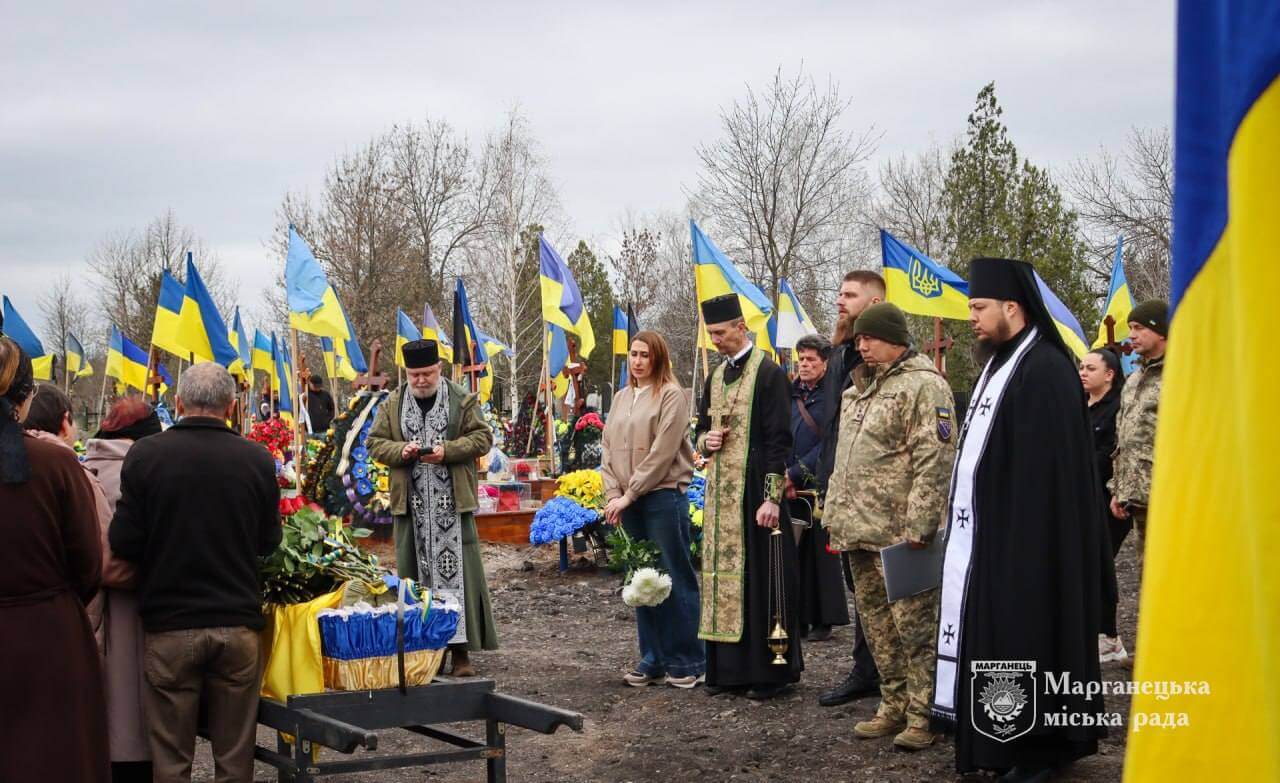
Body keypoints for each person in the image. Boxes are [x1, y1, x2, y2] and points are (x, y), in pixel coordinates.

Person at [931, 258, 1109, 783]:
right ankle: (1002, 742)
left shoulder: (1046, 370)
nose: (971, 318)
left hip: (1034, 545)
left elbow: (1049, 478)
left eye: (979, 307)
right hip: (994, 538)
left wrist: (1017, 541)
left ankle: (1039, 749)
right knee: (999, 639)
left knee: (1030, 638)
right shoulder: (1000, 364)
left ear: (1013, 307)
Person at [109, 362, 281, 783]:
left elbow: (124, 542)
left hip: (170, 626)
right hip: (237, 624)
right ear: (232, 406)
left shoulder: (145, 455)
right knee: (235, 760)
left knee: (171, 760)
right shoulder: (256, 459)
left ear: (179, 402)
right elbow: (269, 542)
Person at [824, 303, 956, 751]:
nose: (861, 345)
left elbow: (935, 457)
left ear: (896, 339)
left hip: (901, 534)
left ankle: (924, 714)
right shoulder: (858, 388)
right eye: (858, 338)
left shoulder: (924, 386)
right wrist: (835, 514)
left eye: (871, 338)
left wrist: (921, 524)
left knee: (914, 629)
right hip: (858, 529)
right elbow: (845, 460)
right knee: (878, 628)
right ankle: (893, 703)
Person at [0, 337, 109, 782]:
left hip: (44, 623)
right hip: (46, 635)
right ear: (25, 398)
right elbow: (89, 562)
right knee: (52, 758)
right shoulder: (55, 463)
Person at [25, 387, 148, 782]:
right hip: (95, 618)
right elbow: (101, 562)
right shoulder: (70, 471)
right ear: (65, 421)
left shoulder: (61, 464)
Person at [366, 339, 498, 676]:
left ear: (439, 369)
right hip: (411, 507)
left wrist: (447, 451)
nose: (421, 380)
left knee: (460, 576)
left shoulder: (461, 399)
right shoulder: (393, 403)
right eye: (415, 375)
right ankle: (426, 653)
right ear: (406, 373)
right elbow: (374, 443)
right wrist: (400, 451)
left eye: (427, 373)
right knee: (415, 578)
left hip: (451, 505)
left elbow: (483, 438)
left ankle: (461, 652)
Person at [693, 293, 801, 700]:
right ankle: (727, 671)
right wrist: (706, 441)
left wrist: (772, 498)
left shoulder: (769, 374)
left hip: (756, 490)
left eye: (721, 333)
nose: (715, 340)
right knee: (721, 580)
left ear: (741, 327)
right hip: (721, 492)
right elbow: (700, 431)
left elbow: (779, 441)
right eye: (711, 334)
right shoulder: (715, 376)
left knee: (762, 580)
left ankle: (769, 673)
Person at [601, 330, 702, 688]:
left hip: (661, 496)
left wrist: (629, 494)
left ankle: (688, 659)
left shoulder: (671, 395)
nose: (638, 361)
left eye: (645, 355)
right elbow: (607, 448)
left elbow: (662, 453)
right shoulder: (621, 397)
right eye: (634, 354)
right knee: (641, 577)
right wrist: (613, 493)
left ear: (658, 358)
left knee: (672, 575)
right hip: (627, 500)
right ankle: (653, 657)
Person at [85, 396, 164, 783]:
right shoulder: (141, 473)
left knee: (109, 705)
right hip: (134, 600)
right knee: (133, 709)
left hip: (92, 606)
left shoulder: (85, 467)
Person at [815, 270, 885, 707]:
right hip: (841, 487)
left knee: (881, 589)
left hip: (873, 494)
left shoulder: (880, 357)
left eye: (850, 295)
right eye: (839, 293)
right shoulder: (842, 353)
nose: (840, 301)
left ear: (874, 303)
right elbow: (833, 427)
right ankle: (867, 669)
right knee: (858, 585)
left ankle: (885, 674)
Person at [785, 333, 849, 642]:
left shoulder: (834, 395)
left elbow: (830, 442)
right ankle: (796, 617)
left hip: (818, 483)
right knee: (792, 553)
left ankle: (824, 618)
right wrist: (783, 474)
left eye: (811, 359)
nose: (805, 364)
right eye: (801, 359)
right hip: (789, 486)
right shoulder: (790, 393)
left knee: (819, 556)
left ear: (825, 363)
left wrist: (798, 473)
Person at [1079, 349, 1127, 664]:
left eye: (1090, 368)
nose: (1083, 372)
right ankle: (1092, 631)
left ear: (1109, 374)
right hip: (1082, 497)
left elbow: (1111, 452)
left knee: (1100, 565)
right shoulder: (1080, 405)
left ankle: (1109, 637)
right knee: (1085, 565)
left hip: (1109, 497)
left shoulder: (1117, 407)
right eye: (1081, 367)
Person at [1109, 300, 1167, 553]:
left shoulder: (1179, 374)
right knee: (1147, 568)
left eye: (1139, 327)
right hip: (1138, 497)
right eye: (1131, 327)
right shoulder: (1134, 378)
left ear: (1161, 331)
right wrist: (1118, 489)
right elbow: (1123, 437)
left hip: (1169, 494)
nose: (1131, 335)